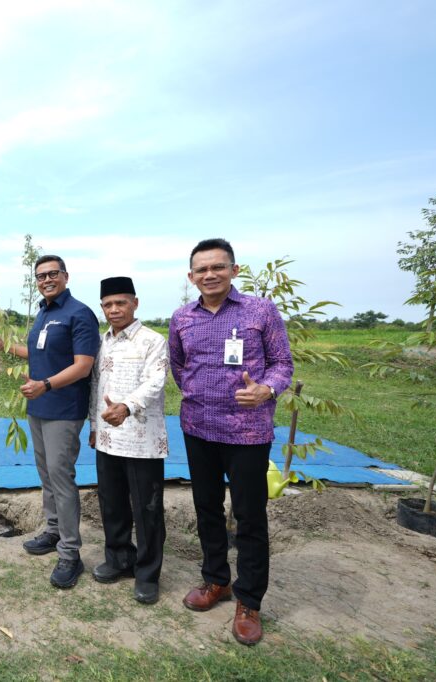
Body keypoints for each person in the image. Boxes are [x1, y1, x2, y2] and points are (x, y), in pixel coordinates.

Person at [169, 238, 293, 645]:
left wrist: (267, 390)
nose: (209, 275)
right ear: (191, 277)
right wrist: (195, 389)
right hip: (198, 428)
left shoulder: (260, 311)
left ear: (234, 270)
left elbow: (282, 364)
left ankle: (249, 600)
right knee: (206, 507)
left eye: (217, 267)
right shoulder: (181, 317)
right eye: (201, 270)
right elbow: (178, 363)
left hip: (247, 432)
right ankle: (215, 580)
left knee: (249, 516)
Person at [0, 255, 99, 588]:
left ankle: (70, 554)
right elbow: (38, 352)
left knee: (62, 478)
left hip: (63, 409)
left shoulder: (79, 314)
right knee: (46, 474)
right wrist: (6, 347)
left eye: (52, 274)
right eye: (40, 276)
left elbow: (83, 366)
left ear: (65, 276)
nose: (46, 279)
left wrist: (46, 384)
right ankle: (52, 531)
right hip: (38, 407)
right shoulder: (44, 313)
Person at [87, 276, 168, 605]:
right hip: (107, 438)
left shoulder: (152, 341)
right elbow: (95, 384)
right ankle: (119, 558)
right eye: (107, 304)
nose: (114, 309)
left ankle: (147, 573)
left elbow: (157, 381)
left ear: (135, 303)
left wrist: (127, 406)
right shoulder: (101, 342)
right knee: (112, 503)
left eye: (120, 302)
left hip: (142, 440)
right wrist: (94, 424)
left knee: (147, 508)